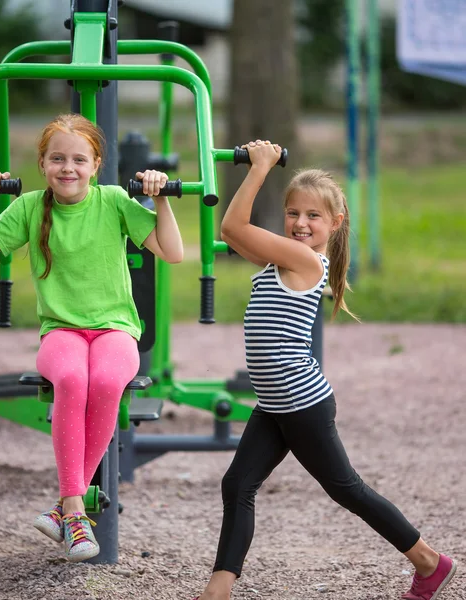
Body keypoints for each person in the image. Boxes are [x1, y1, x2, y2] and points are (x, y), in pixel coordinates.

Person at [192, 140, 456, 600]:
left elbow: (233, 224)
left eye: (313, 216)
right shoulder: (282, 258)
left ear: (333, 224)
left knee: (347, 489)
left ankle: (430, 562)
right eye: (293, 213)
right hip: (276, 404)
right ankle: (217, 591)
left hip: (301, 405)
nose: (299, 224)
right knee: (238, 484)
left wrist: (260, 167)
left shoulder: (304, 260)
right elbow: (234, 235)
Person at [0, 113, 183, 562]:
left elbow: (173, 252)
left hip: (116, 329)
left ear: (96, 164)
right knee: (72, 380)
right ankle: (76, 507)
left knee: (104, 382)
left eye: (79, 159)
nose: (68, 168)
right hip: (60, 330)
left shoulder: (115, 201)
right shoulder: (30, 208)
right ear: (42, 164)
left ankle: (67, 507)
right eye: (57, 158)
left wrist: (161, 200)